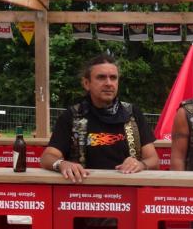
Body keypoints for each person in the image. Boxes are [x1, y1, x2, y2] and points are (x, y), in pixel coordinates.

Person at [41, 54, 159, 182]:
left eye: (113, 78)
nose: (108, 83)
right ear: (86, 83)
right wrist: (62, 164)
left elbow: (153, 159)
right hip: (82, 189)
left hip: (128, 188)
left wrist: (140, 164)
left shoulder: (132, 113)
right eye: (101, 77)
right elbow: (47, 157)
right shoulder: (71, 116)